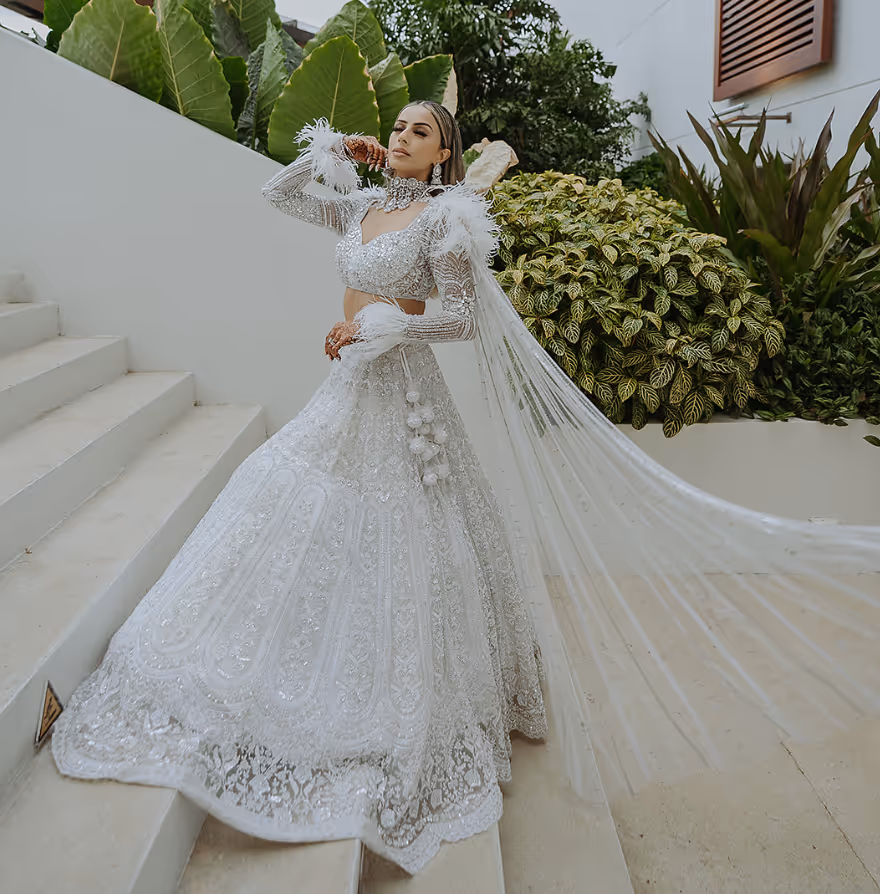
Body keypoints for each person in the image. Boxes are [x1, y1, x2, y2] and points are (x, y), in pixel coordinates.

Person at [52, 102, 548, 874]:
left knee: (401, 526)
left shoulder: (445, 220)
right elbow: (277, 195)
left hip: (400, 388)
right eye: (399, 127)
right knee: (288, 491)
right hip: (349, 375)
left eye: (420, 132)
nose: (402, 138)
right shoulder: (361, 204)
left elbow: (459, 320)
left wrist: (382, 325)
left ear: (444, 153)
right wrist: (330, 151)